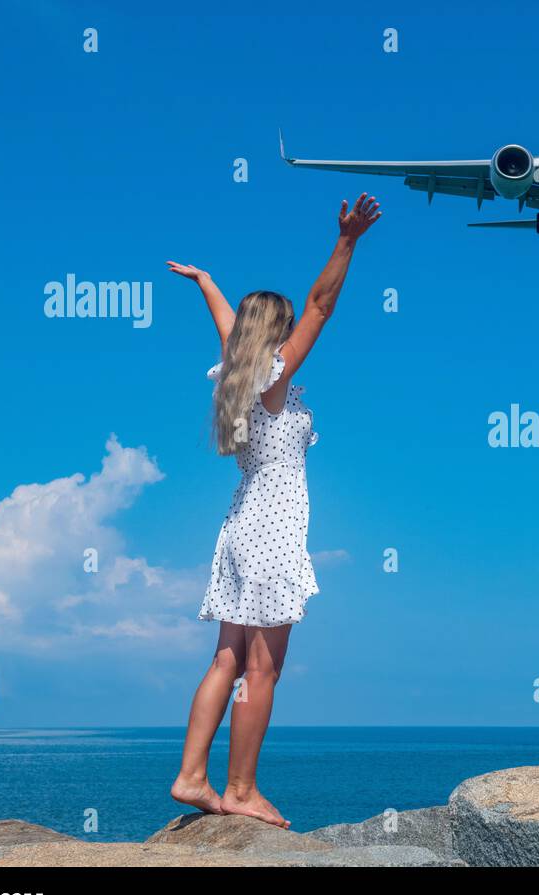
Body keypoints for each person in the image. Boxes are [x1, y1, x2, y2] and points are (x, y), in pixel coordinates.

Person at [165, 194, 381, 827]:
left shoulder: (237, 375)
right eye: (283, 329)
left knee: (228, 656)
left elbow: (231, 330)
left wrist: (206, 282)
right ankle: (240, 789)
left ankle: (190, 776)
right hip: (272, 531)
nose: (293, 334)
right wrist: (348, 242)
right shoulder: (275, 378)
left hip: (238, 525)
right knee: (264, 667)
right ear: (277, 336)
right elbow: (321, 305)